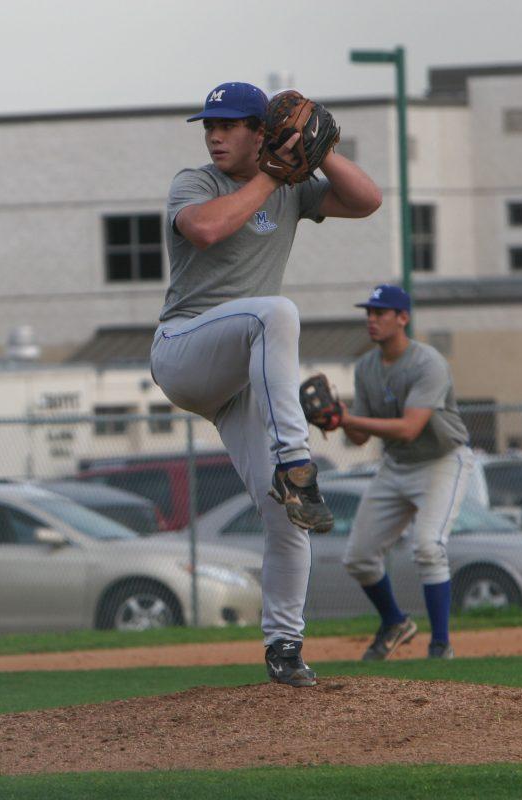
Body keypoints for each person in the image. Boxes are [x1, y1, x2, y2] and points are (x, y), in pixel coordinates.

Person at [150, 81, 382, 686]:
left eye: (229, 125)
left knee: (286, 517)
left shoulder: (291, 185)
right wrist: (275, 176)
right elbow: (204, 230)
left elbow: (367, 201)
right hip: (186, 350)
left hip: (242, 379)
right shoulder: (196, 181)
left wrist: (321, 148)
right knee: (274, 311)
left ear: (264, 132)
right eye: (210, 125)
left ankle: (285, 646)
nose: (215, 135)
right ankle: (296, 459)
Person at [339, 285, 473, 661]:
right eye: (369, 312)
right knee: (359, 556)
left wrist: (349, 417)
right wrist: (334, 419)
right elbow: (360, 436)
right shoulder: (366, 366)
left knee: (428, 547)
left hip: (441, 462)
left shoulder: (428, 363)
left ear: (403, 317)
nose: (371, 319)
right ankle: (394, 622)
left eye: (380, 312)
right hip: (397, 464)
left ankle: (441, 646)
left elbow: (411, 427)